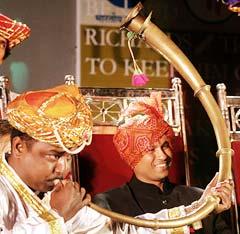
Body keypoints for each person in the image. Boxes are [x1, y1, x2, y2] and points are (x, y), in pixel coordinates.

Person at [0, 85, 232, 233]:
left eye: (68, 157)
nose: (64, 168)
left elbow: (122, 229)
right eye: (54, 155)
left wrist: (200, 207)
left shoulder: (53, 195)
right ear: (18, 147)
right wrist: (58, 216)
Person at [94, 92, 233, 233]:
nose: (162, 155)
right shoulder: (109, 204)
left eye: (165, 146)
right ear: (131, 156)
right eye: (150, 149)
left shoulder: (199, 196)